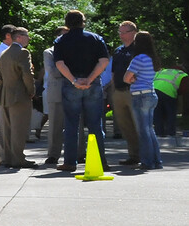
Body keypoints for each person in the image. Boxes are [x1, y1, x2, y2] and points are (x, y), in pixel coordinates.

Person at [53, 10, 110, 172]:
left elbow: (60, 64)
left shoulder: (60, 41)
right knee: (95, 125)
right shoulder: (96, 38)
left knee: (71, 124)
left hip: (71, 84)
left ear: (67, 23)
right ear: (83, 22)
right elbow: (104, 61)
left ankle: (70, 162)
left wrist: (73, 80)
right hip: (93, 84)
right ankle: (100, 161)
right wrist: (90, 79)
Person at [0, 27, 37, 167]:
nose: (29, 38)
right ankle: (18, 159)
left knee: (7, 129)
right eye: (26, 35)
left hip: (5, 95)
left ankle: (7, 158)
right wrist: (31, 90)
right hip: (20, 95)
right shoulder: (23, 53)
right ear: (18, 37)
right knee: (19, 128)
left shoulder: (4, 53)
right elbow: (27, 74)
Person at [124, 31, 162, 170]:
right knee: (149, 130)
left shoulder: (138, 58)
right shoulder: (152, 58)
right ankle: (157, 161)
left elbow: (126, 78)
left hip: (140, 95)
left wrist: (133, 79)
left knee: (143, 131)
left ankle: (147, 162)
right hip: (151, 94)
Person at [109, 21, 140, 164]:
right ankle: (133, 156)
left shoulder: (139, 49)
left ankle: (146, 155)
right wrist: (114, 90)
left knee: (139, 125)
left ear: (133, 32)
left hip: (133, 91)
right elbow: (114, 72)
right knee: (125, 126)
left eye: (124, 32)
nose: (121, 35)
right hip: (119, 92)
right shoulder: (118, 50)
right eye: (119, 32)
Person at [43, 26, 69, 165]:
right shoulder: (49, 52)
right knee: (55, 126)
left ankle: (79, 153)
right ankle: (53, 154)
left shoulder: (73, 50)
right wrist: (71, 73)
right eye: (63, 35)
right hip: (55, 92)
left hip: (72, 91)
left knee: (77, 124)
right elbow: (52, 71)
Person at [0, 24, 16, 166]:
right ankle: (4, 156)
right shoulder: (1, 50)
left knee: (12, 122)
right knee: (3, 122)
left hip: (10, 85)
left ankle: (11, 154)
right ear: (8, 35)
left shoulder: (9, 49)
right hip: (3, 84)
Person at [154, 64, 188, 137]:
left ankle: (158, 134)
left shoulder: (162, 71)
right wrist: (178, 94)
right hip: (169, 92)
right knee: (171, 114)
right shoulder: (182, 74)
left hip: (154, 91)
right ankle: (170, 134)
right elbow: (184, 88)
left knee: (157, 114)